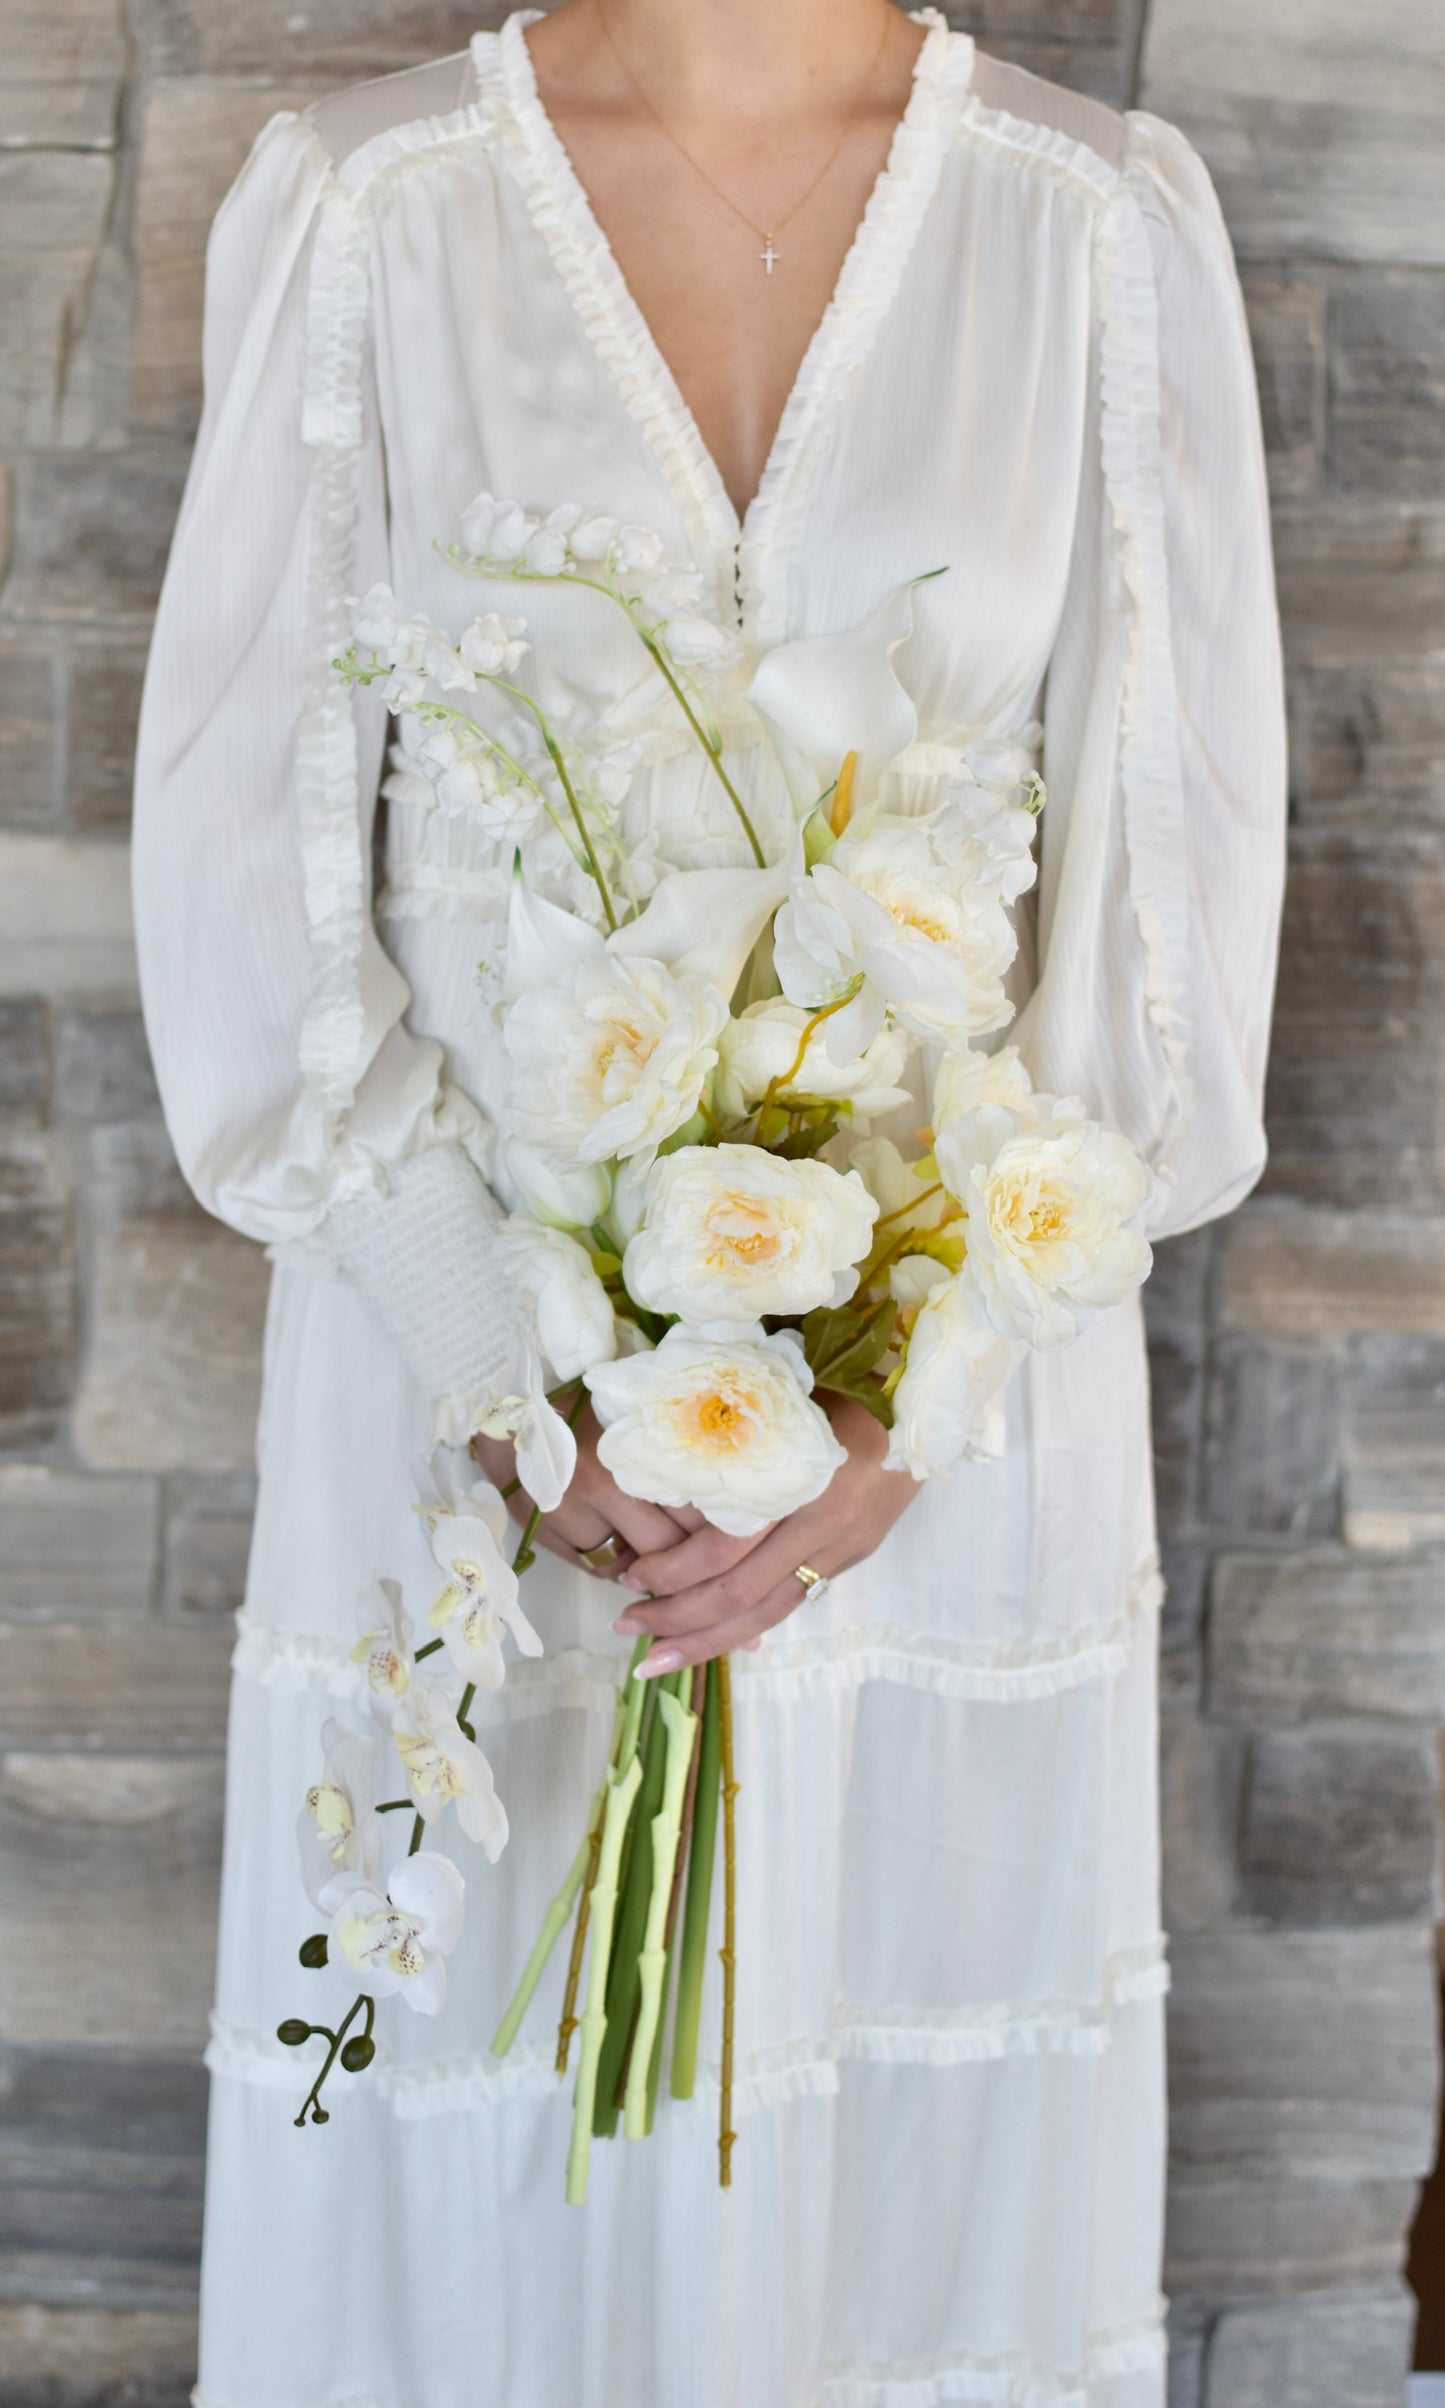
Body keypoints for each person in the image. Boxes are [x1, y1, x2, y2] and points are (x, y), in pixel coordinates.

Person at [132, 2, 1286, 2400]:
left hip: (940, 1465)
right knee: (470, 2120)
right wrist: (493, 1360)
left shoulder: (1098, 224)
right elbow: (251, 875)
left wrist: (909, 1408)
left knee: (873, 2214)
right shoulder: (366, 208)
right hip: (473, 1445)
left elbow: (1161, 934)